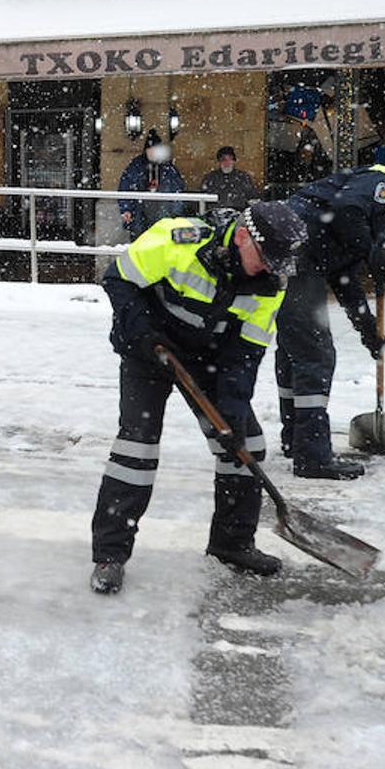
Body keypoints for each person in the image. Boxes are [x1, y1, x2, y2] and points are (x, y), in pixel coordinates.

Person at [89, 201, 308, 594]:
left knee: (244, 444)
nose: (269, 269)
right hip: (148, 348)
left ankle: (232, 543)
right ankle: (110, 554)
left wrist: (232, 412)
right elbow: (118, 279)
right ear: (243, 236)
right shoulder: (179, 241)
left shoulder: (270, 283)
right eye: (264, 258)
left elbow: (245, 354)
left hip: (209, 358)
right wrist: (142, 334)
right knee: (136, 449)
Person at [275, 163, 385, 480]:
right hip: (297, 253)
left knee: (296, 349)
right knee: (314, 353)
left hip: (295, 252)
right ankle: (312, 456)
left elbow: (343, 276)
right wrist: (371, 250)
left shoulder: (377, 215)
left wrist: (367, 328)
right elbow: (345, 209)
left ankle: (296, 439)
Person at [117, 129, 187, 239]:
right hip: (141, 212)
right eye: (150, 150)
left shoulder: (167, 168)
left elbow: (177, 189)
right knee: (140, 238)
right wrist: (127, 209)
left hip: (162, 211)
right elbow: (125, 187)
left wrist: (176, 212)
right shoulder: (136, 166)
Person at [199, 145, 259, 212]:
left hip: (239, 214)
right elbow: (202, 199)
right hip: (215, 214)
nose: (227, 162)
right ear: (219, 162)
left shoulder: (243, 178)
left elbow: (252, 199)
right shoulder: (210, 178)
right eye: (223, 159)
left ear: (234, 161)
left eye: (230, 159)